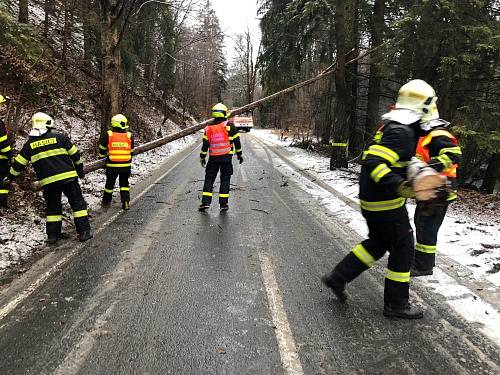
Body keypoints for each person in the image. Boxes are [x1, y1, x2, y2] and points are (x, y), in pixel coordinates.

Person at [322, 79, 440, 319]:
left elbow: (392, 160)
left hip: (374, 200)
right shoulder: (403, 132)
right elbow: (375, 162)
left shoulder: (393, 126)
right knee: (404, 247)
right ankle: (396, 304)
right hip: (385, 203)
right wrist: (399, 185)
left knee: (377, 243)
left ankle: (338, 277)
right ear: (423, 107)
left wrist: (417, 173)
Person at [9, 112, 92, 244]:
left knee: (53, 207)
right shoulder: (60, 137)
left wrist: (11, 177)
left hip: (48, 182)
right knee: (77, 204)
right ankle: (84, 232)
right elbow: (75, 155)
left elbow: (19, 164)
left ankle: (53, 236)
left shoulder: (29, 144)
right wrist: (80, 169)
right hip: (69, 178)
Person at [411, 119, 462, 276]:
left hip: (439, 191)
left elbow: (454, 155)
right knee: (422, 224)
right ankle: (422, 261)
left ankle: (423, 266)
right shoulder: (424, 136)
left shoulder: (438, 134)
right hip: (430, 189)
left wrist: (430, 167)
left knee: (427, 227)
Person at [199, 103, 243, 211]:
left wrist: (202, 157)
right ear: (224, 113)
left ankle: (205, 202)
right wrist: (240, 154)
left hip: (213, 159)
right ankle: (223, 204)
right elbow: (237, 142)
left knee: (209, 179)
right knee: (225, 179)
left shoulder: (209, 128)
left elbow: (205, 145)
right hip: (226, 159)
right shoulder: (229, 126)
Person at [98, 114, 134, 210]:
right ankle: (125, 202)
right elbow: (131, 151)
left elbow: (102, 148)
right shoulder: (129, 135)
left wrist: (101, 157)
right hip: (126, 165)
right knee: (124, 184)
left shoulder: (109, 134)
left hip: (112, 165)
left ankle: (106, 202)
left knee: (109, 184)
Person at [0, 94, 13, 208]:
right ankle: (2, 204)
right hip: (1, 159)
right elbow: (3, 143)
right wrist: (10, 155)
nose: (3, 108)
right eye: (1, 105)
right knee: (3, 181)